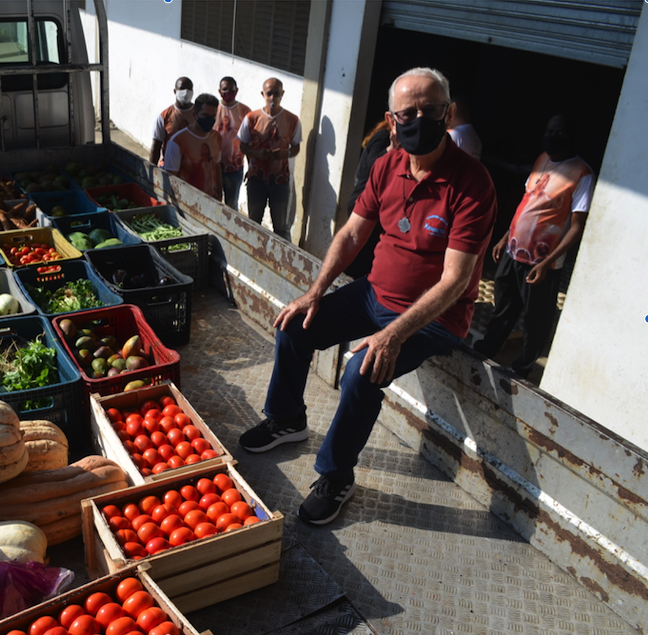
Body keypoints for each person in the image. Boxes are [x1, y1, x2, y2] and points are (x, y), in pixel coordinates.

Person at [238, 67, 497, 526]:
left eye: (431, 110)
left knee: (361, 371)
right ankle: (287, 421)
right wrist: (314, 292)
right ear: (391, 120)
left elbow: (456, 280)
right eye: (408, 112)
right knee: (296, 326)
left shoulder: (472, 183)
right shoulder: (387, 164)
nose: (420, 119)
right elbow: (354, 233)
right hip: (375, 293)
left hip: (435, 317)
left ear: (449, 113)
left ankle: (336, 476)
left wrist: (392, 334)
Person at [473, 114, 591, 379]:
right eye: (550, 130)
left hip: (542, 261)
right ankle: (487, 348)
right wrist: (505, 238)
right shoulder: (542, 159)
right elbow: (526, 203)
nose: (552, 136)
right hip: (514, 251)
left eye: (559, 132)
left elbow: (576, 227)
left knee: (536, 317)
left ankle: (525, 365)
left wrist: (548, 262)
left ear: (572, 137)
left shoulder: (582, 173)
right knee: (503, 304)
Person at [237, 78, 301, 240]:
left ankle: (282, 263)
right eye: (269, 93)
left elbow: (296, 147)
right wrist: (256, 155)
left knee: (281, 227)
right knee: (253, 224)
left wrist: (284, 154)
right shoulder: (251, 118)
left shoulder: (292, 120)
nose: (273, 97)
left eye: (277, 94)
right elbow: (242, 145)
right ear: (262, 94)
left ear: (283, 94)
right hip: (256, 180)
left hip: (280, 181)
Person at [343, 118, 400, 279]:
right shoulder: (383, 136)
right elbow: (372, 166)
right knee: (359, 258)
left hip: (376, 207)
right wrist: (391, 148)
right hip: (363, 203)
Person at [163, 93, 223, 200]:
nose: (209, 120)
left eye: (213, 116)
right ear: (195, 115)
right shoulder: (177, 142)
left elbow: (217, 166)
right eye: (205, 115)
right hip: (186, 202)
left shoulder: (216, 137)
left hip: (210, 201)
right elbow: (170, 177)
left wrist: (219, 193)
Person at [214, 76, 252, 209]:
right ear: (219, 91)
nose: (228, 92)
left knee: (231, 205)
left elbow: (249, 142)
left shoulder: (245, 112)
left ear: (237, 91)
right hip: (213, 166)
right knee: (213, 202)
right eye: (225, 89)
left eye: (232, 89)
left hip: (234, 168)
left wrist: (251, 166)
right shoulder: (213, 109)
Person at [149, 77, 197, 167]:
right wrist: (151, 171)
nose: (186, 92)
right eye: (182, 89)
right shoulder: (164, 116)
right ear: (175, 91)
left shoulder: (199, 113)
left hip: (192, 168)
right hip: (169, 167)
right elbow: (156, 146)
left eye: (189, 88)